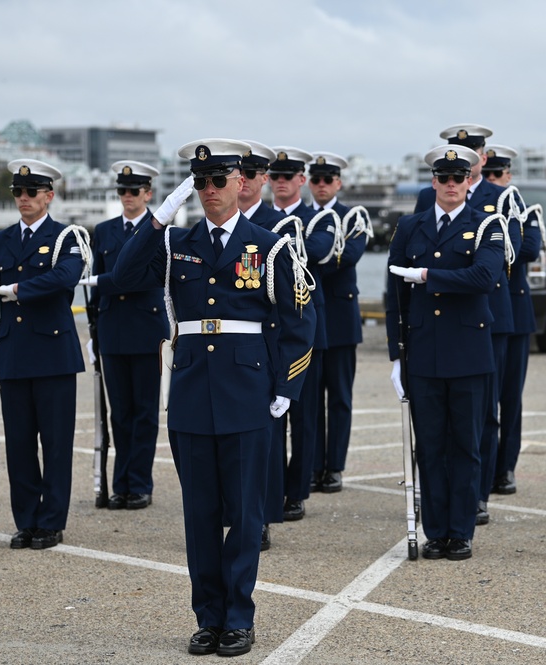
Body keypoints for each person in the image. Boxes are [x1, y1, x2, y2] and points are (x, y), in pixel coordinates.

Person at [111, 139, 315, 657]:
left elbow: (299, 321)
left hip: (248, 395)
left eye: (216, 182)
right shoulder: (176, 244)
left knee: (246, 516)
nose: (208, 192)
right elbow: (124, 276)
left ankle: (239, 618)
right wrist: (159, 218)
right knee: (200, 515)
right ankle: (208, 617)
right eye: (198, 184)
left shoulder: (269, 246)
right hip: (191, 395)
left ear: (240, 183)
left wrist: (286, 389)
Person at [386, 145, 506, 561]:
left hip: (469, 352)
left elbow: (484, 276)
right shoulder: (410, 226)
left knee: (466, 446)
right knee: (431, 445)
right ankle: (436, 531)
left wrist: (427, 275)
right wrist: (395, 355)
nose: (452, 185)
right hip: (422, 352)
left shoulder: (488, 224)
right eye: (444, 178)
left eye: (459, 178)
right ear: (434, 182)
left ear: (470, 181)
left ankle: (461, 531)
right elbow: (394, 295)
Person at [0, 159, 87, 550]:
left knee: (56, 445)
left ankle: (51, 522)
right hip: (14, 354)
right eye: (18, 192)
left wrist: (20, 290)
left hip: (54, 354)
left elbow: (66, 277)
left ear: (49, 196)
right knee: (19, 445)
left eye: (32, 192)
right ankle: (27, 521)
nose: (24, 198)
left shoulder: (67, 236)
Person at [80, 160, 169, 511]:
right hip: (113, 330)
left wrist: (105, 281)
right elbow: (94, 286)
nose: (127, 196)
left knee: (145, 413)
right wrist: (93, 332)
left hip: (147, 332)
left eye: (134, 191)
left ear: (148, 194)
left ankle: (140, 484)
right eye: (122, 191)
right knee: (119, 414)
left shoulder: (159, 231)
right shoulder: (103, 231)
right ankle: (120, 484)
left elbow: (147, 278)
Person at [268, 146, 336, 522]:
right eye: (274, 177)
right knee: (271, 417)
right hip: (268, 331)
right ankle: (272, 487)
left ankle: (297, 491)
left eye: (287, 177)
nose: (280, 183)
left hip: (306, 331)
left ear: (301, 181)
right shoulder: (257, 218)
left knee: (305, 417)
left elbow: (315, 252)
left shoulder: (317, 218)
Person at [482, 144, 543, 502]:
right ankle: (486, 467)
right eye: (488, 175)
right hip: (484, 313)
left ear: (509, 176)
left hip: (515, 315)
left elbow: (527, 249)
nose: (493, 181)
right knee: (484, 399)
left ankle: (505, 467)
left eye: (498, 175)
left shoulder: (522, 210)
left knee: (509, 397)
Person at [237, 140, 287, 551]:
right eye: (238, 174)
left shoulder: (280, 225)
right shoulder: (217, 225)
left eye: (251, 174)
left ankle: (264, 515)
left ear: (261, 179)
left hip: (268, 343)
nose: (243, 182)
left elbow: (294, 301)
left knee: (268, 439)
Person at [308, 152, 366, 493]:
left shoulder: (353, 216)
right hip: (312, 318)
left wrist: (313, 262)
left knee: (340, 397)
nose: (321, 186)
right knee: (312, 398)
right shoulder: (300, 219)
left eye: (327, 180)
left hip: (341, 319)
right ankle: (314, 465)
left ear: (338, 183)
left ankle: (335, 467)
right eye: (315, 180)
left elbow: (351, 256)